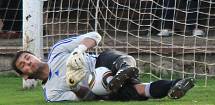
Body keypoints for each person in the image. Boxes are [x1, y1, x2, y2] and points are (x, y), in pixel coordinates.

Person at [11, 32, 195, 102]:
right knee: (140, 91)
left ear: (34, 55)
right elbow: (87, 98)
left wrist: (79, 50)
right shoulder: (51, 94)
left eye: (28, 57)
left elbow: (95, 36)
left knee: (116, 59)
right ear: (25, 76)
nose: (28, 62)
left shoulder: (58, 51)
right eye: (23, 65)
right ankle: (176, 85)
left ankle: (123, 70)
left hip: (101, 62)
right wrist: (75, 86)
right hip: (100, 89)